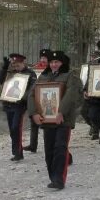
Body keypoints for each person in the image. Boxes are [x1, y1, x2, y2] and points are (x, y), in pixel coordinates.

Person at [28, 51, 81, 190]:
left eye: (56, 62)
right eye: (51, 62)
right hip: (47, 120)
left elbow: (71, 94)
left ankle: (59, 179)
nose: (54, 65)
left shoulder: (70, 76)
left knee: (60, 148)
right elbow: (32, 95)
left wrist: (61, 111)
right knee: (49, 150)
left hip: (63, 120)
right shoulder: (43, 76)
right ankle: (52, 177)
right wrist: (34, 113)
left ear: (62, 63)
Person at [0, 53, 36, 162]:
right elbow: (0, 81)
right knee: (12, 129)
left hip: (19, 105)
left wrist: (21, 97)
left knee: (16, 128)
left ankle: (18, 153)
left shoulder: (30, 73)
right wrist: (4, 67)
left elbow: (32, 89)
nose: (16, 67)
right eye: (14, 65)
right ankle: (17, 152)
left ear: (23, 63)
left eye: (18, 65)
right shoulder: (11, 73)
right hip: (8, 104)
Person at [24, 49, 50, 153]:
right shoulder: (34, 69)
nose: (43, 60)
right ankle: (33, 145)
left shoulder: (51, 69)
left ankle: (49, 144)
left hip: (46, 96)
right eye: (42, 58)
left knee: (47, 121)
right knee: (33, 121)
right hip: (35, 96)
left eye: (45, 58)